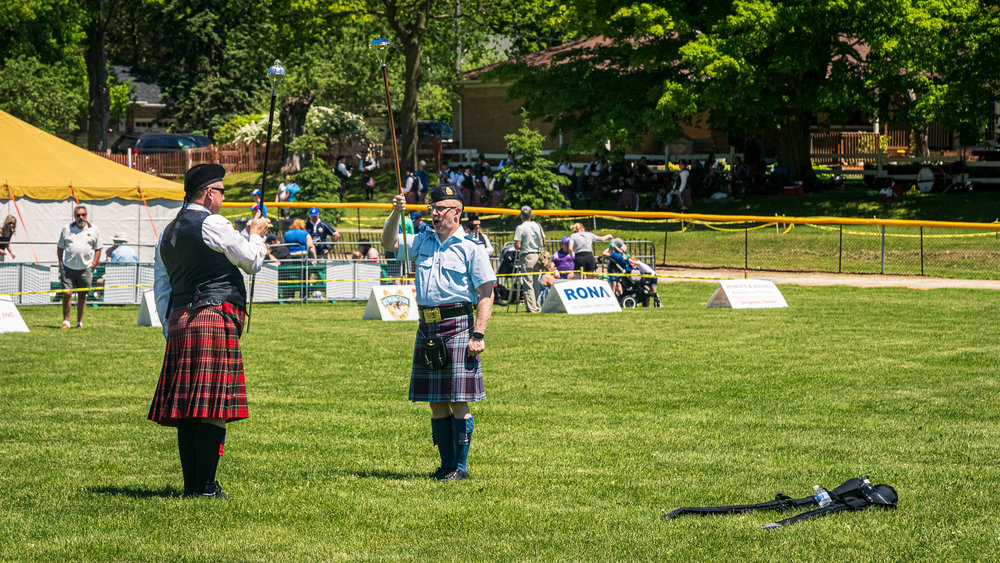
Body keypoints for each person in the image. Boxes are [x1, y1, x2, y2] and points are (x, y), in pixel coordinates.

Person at [148, 163, 270, 499]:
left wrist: (169, 325)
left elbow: (161, 287)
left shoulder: (167, 231)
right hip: (213, 317)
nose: (223, 199)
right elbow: (250, 260)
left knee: (188, 409)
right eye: (222, 193)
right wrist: (256, 234)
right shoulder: (212, 222)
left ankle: (192, 486)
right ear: (209, 193)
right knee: (214, 407)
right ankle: (207, 487)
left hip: (180, 321)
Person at [381, 185, 495, 481]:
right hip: (428, 325)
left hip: (458, 324)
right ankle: (446, 465)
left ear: (456, 212)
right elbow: (388, 243)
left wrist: (478, 334)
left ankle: (461, 467)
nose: (433, 212)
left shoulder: (472, 248)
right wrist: (396, 212)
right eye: (432, 207)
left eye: (440, 208)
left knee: (457, 398)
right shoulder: (422, 241)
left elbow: (485, 292)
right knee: (435, 399)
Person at [56, 205, 101, 329]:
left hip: (85, 268)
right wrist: (60, 263)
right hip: (68, 268)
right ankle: (66, 321)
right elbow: (60, 247)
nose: (81, 218)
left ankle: (79, 322)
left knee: (82, 295)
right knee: (67, 293)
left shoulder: (94, 230)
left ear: (86, 216)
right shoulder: (67, 229)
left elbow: (98, 249)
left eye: (83, 215)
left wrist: (93, 264)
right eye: (78, 215)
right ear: (74, 217)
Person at [513, 205, 545, 313]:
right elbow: (543, 240)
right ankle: (537, 306)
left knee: (528, 283)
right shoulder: (537, 225)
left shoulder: (520, 227)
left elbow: (517, 245)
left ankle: (531, 308)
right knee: (536, 282)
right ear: (531, 214)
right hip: (538, 254)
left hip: (527, 255)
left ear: (521, 215)